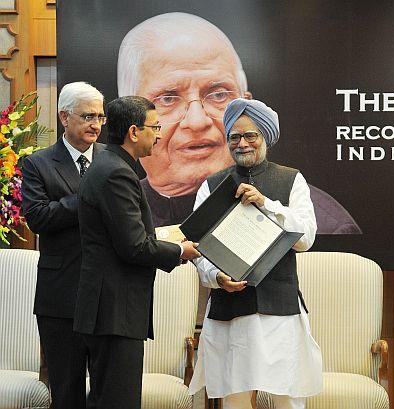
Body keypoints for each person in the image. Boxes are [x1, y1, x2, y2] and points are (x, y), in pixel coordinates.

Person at [117, 12, 361, 234]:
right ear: (133, 117)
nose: (197, 121)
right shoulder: (115, 210)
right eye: (168, 99)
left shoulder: (328, 225)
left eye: (218, 94)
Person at [189, 98, 323, 409]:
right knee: (235, 400)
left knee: (287, 397)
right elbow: (199, 248)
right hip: (229, 308)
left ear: (264, 137)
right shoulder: (212, 186)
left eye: (251, 135)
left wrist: (266, 204)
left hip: (280, 308)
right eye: (234, 137)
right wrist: (216, 276)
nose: (242, 143)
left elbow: (306, 237)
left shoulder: (291, 180)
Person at [73, 96, 200, 409]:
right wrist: (180, 251)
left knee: (106, 399)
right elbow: (134, 246)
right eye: (155, 127)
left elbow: (127, 237)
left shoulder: (110, 165)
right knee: (117, 401)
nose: (158, 134)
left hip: (110, 309)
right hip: (113, 311)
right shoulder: (116, 173)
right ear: (133, 131)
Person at [21, 81, 106, 409]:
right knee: (66, 393)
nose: (96, 124)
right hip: (61, 297)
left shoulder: (112, 160)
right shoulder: (38, 163)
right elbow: (39, 218)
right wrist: (88, 197)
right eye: (88, 117)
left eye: (100, 117)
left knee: (105, 394)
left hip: (104, 295)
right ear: (64, 117)